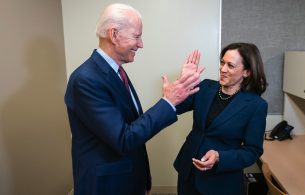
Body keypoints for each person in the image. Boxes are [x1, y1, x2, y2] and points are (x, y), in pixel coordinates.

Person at [64, 3, 203, 195]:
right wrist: (168, 102)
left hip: (128, 181)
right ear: (113, 34)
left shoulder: (115, 72)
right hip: (107, 186)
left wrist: (143, 180)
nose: (141, 44)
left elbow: (132, 126)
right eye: (136, 36)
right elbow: (124, 139)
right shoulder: (87, 79)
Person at [174, 42, 268, 195]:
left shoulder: (256, 105)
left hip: (221, 182)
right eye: (222, 62)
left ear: (247, 72)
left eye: (230, 66)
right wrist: (182, 83)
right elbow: (175, 108)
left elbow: (252, 151)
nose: (223, 69)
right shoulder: (205, 87)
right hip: (188, 172)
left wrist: (219, 157)